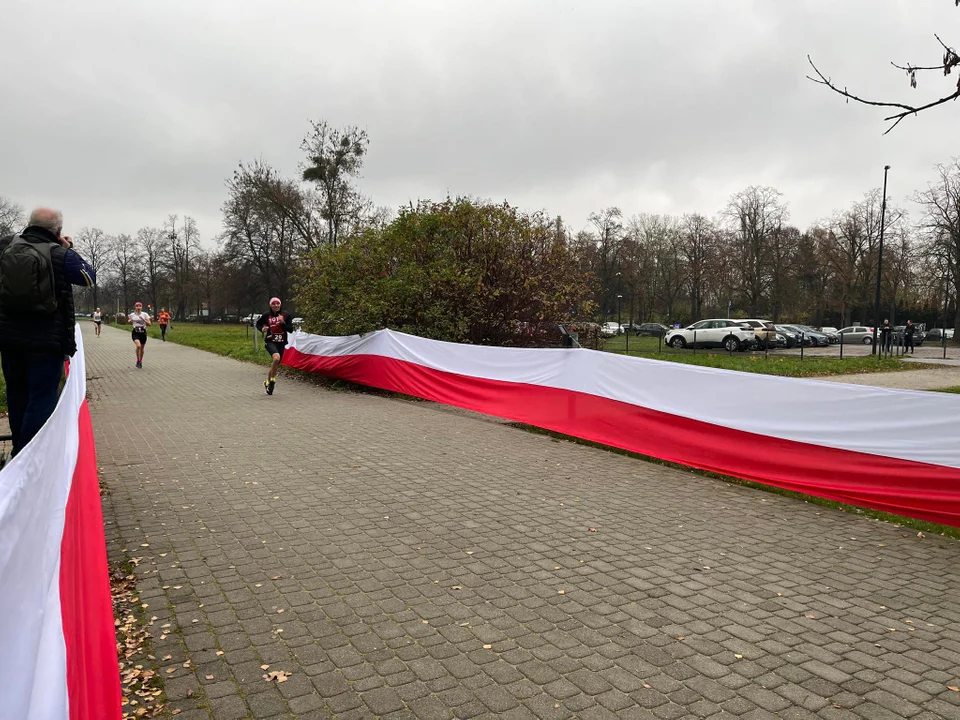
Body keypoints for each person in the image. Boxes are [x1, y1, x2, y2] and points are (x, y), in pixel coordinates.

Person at [0, 208, 96, 456]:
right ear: (58, 230)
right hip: (46, 341)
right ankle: (29, 456)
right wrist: (68, 248)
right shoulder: (59, 254)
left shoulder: (7, 247)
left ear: (29, 224)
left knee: (16, 394)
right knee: (41, 397)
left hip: (9, 340)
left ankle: (17, 452)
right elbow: (88, 277)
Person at [255, 297, 293, 395]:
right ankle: (272, 381)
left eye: (277, 303)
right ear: (270, 305)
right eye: (274, 304)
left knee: (275, 364)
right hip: (270, 341)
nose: (276, 305)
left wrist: (283, 322)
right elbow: (258, 324)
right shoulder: (266, 315)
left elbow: (290, 329)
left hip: (281, 342)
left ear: (280, 305)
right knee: (276, 358)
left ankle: (267, 383)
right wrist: (262, 328)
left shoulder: (286, 315)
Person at [129, 302, 152, 368]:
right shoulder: (132, 314)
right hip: (135, 332)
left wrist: (144, 320)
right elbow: (129, 321)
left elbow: (149, 324)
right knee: (138, 346)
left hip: (143, 332)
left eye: (139, 306)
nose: (138, 307)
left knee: (142, 348)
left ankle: (140, 361)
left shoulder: (145, 314)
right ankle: (138, 359)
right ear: (135, 307)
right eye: (137, 306)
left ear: (141, 307)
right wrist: (130, 321)